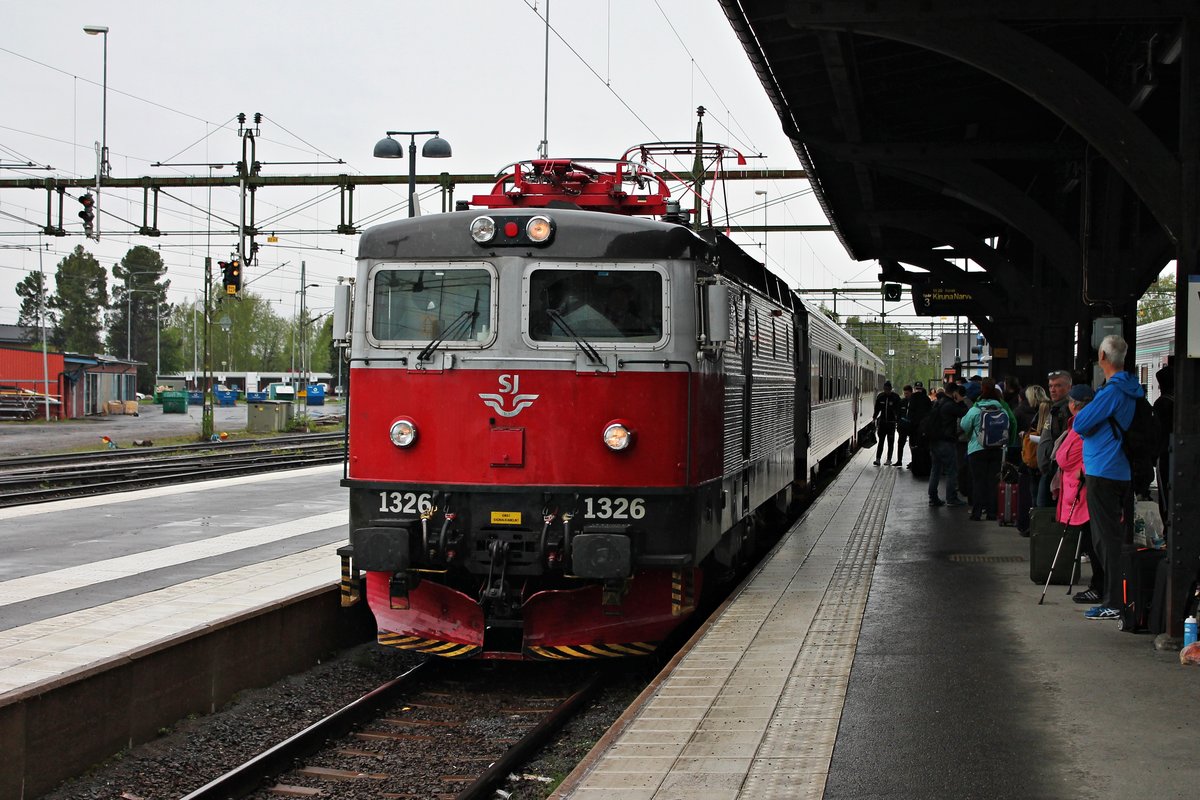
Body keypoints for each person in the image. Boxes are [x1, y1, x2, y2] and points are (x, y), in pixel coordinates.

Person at [1072, 335, 1142, 621]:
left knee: (1106, 540)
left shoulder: (1112, 391)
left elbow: (1080, 423)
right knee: (1114, 537)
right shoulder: (1131, 388)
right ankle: (1118, 597)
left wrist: (1089, 419)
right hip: (1120, 468)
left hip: (1103, 470)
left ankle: (1114, 601)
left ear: (1102, 357)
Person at [1055, 384, 1105, 605]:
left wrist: (1083, 470)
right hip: (1080, 487)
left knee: (1094, 542)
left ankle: (1100, 586)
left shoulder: (1087, 424)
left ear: (1074, 405)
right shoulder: (1079, 423)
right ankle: (1098, 584)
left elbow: (1095, 450)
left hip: (1085, 487)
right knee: (1090, 540)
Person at [960, 378, 1019, 521]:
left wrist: (972, 435)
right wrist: (1008, 443)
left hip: (977, 450)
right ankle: (993, 513)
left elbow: (964, 425)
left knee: (978, 481)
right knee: (993, 481)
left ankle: (977, 512)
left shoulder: (976, 409)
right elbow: (1012, 423)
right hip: (997, 448)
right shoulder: (1002, 409)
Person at [1036, 370, 1073, 507]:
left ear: (1069, 387)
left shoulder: (1065, 410)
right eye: (1050, 386)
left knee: (1045, 514)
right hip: (1048, 469)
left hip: (1055, 471)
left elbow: (1064, 442)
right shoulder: (1055, 409)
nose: (1052, 390)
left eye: (1058, 386)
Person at [927, 382, 967, 507]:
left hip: (934, 441)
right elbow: (965, 412)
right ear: (954, 392)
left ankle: (933, 498)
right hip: (946, 442)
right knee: (951, 471)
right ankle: (951, 498)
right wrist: (960, 400)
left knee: (935, 470)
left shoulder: (938, 403)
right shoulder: (950, 405)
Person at [1153, 365, 1174, 523]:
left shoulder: (1161, 403)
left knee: (1165, 493)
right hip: (1174, 450)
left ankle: (1167, 522)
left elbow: (1158, 431)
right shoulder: (1183, 402)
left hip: (1164, 451)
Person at [906, 381, 933, 473]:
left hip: (915, 427)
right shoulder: (926, 398)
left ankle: (916, 463)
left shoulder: (912, 398)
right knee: (924, 446)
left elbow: (910, 413)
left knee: (914, 445)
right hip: (924, 428)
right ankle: (924, 464)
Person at [873, 381, 901, 466]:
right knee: (881, 441)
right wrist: (874, 418)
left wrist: (897, 419)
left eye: (888, 389)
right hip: (882, 423)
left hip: (891, 423)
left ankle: (889, 459)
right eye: (885, 389)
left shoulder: (895, 397)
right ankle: (878, 459)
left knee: (890, 442)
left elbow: (898, 410)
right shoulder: (880, 397)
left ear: (891, 389)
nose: (887, 391)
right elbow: (877, 409)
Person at [895, 385, 913, 468]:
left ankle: (913, 461)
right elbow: (898, 414)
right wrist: (898, 424)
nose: (906, 395)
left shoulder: (914, 402)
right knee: (900, 443)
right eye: (905, 393)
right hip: (902, 426)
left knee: (912, 444)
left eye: (907, 393)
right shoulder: (902, 402)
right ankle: (899, 461)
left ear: (911, 392)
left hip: (911, 426)